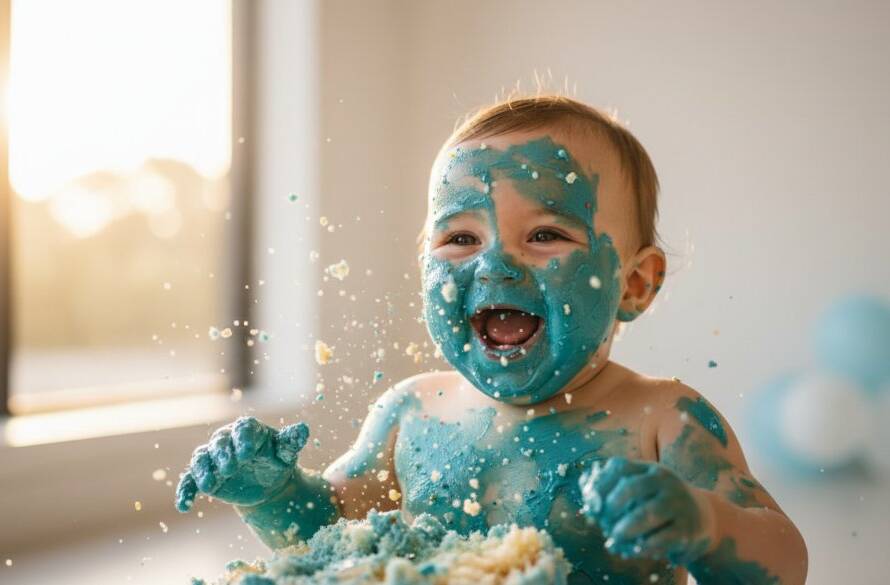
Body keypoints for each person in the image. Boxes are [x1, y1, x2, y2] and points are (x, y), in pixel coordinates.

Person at [175, 95, 807, 584]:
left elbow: (783, 559)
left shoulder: (663, 420)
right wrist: (273, 493)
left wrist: (702, 523)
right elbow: (325, 538)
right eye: (460, 239)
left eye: (545, 236)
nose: (496, 267)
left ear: (634, 284)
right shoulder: (410, 412)